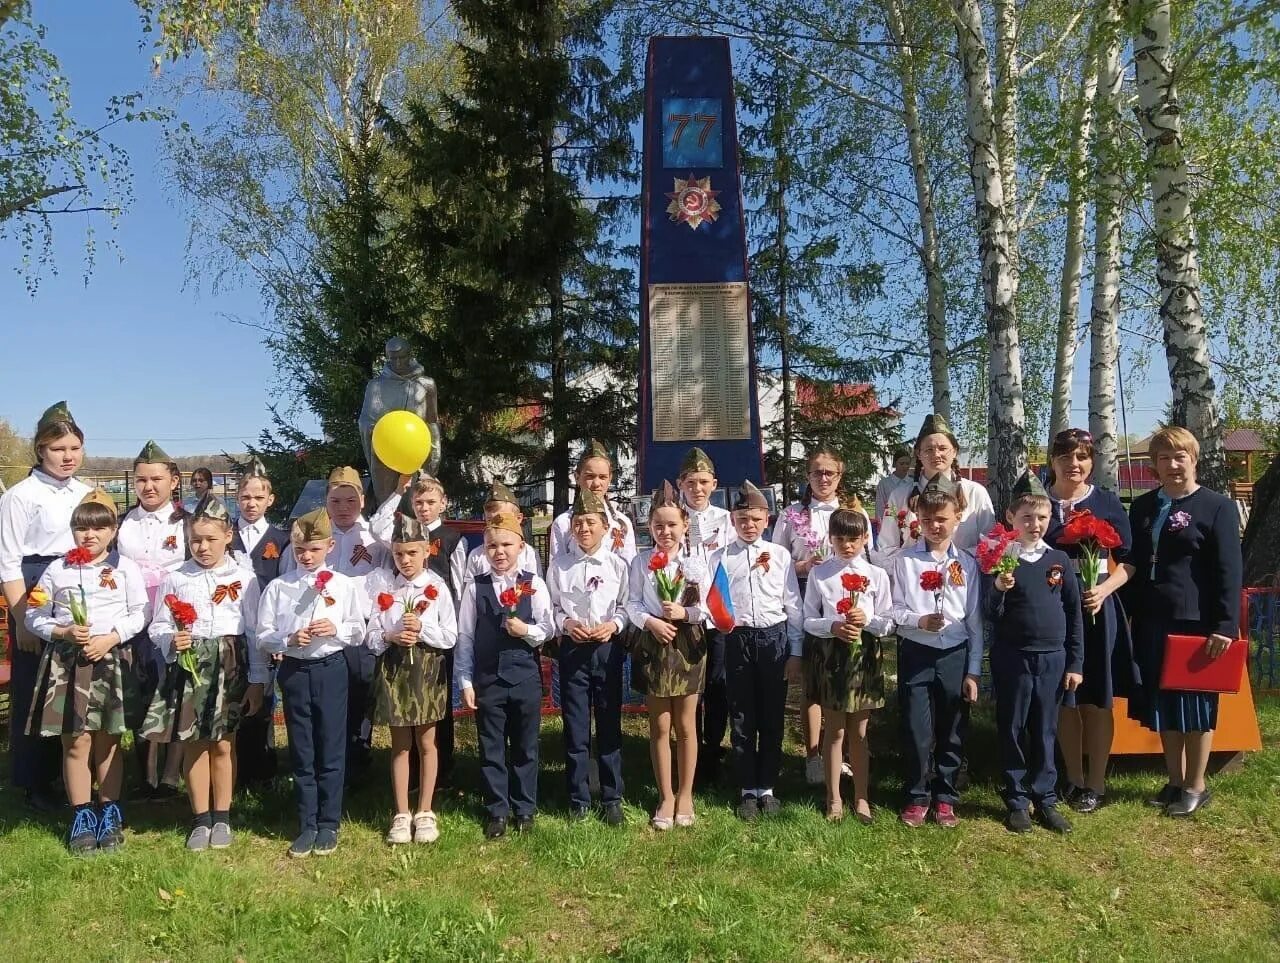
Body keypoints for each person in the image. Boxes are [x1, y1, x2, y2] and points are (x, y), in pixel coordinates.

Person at [1122, 427, 1243, 817]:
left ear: (1194, 458)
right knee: (1164, 705)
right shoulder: (1141, 507)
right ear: (1154, 465)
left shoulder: (1217, 507)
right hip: (1152, 619)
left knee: (1195, 706)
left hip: (1197, 623)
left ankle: (1197, 784)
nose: (1172, 465)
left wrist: (1225, 625)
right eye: (1163, 458)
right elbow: (1134, 564)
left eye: (1180, 456)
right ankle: (1174, 779)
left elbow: (1229, 570)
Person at [139, 495, 264, 851]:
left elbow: (253, 631)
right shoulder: (177, 578)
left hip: (230, 663)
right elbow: (158, 626)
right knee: (194, 742)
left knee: (224, 743)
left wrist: (258, 679)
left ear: (228, 536)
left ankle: (222, 815)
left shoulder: (244, 578)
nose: (203, 546)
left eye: (211, 539)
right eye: (196, 539)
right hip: (191, 667)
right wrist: (171, 639)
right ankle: (200, 818)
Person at [24, 489, 146, 854]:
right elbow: (33, 614)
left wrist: (111, 638)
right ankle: (81, 815)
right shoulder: (58, 569)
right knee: (76, 741)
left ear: (113, 530)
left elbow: (139, 613)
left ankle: (109, 810)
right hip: (67, 664)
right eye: (81, 529)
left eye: (98, 528)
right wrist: (60, 631)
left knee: (108, 741)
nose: (88, 536)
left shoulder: (125, 568)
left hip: (108, 659)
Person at [256, 507, 365, 858]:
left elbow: (358, 629)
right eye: (300, 549)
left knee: (331, 744)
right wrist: (288, 639)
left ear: (330, 547)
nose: (306, 556)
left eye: (314, 549)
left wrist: (336, 629)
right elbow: (264, 635)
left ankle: (330, 822)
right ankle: (307, 822)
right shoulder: (278, 587)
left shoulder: (344, 585)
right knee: (302, 747)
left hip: (331, 668)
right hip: (295, 670)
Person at [0, 401, 91, 812]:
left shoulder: (87, 492)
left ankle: (69, 770)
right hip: (34, 586)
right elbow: (8, 560)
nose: (68, 456)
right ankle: (34, 780)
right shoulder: (21, 496)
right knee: (34, 687)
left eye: (74, 448)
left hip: (77, 585)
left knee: (71, 688)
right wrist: (21, 618)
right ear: (40, 450)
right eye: (58, 449)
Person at [983, 472, 1084, 834]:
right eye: (1027, 517)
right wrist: (998, 588)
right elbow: (989, 614)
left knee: (1045, 728)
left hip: (1052, 658)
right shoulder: (1002, 560)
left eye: (1042, 517)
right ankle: (1016, 798)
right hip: (1013, 657)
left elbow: (1074, 614)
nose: (1035, 524)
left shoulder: (1058, 560)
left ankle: (1045, 797)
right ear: (1011, 518)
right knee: (1012, 726)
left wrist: (1075, 662)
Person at [1043, 428, 1135, 813]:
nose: (1073, 464)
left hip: (1097, 609)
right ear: (1053, 462)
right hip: (1052, 612)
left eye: (1081, 457)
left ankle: (1096, 781)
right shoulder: (1038, 503)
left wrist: (1104, 589)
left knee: (1097, 699)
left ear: (1091, 461)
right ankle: (1073, 777)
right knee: (1065, 698)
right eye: (1065, 457)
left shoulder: (1107, 502)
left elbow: (1131, 561)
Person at [771, 449, 872, 786]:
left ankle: (839, 755)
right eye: (817, 473)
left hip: (845, 605)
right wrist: (802, 566)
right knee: (812, 685)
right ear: (808, 475)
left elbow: (867, 559)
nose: (824, 478)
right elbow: (775, 560)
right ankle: (813, 755)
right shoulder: (791, 514)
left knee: (842, 683)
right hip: (803, 598)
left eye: (830, 472)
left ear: (840, 476)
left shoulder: (853, 513)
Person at [888, 474, 984, 828]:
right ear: (918, 521)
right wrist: (917, 620)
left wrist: (973, 670)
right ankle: (916, 795)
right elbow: (894, 611)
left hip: (954, 655)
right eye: (927, 520)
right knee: (916, 728)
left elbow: (974, 622)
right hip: (917, 651)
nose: (935, 526)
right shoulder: (905, 561)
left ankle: (946, 797)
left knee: (953, 727)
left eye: (942, 518)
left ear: (958, 517)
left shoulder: (968, 565)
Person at [456, 513, 554, 839]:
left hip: (524, 677)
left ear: (521, 546)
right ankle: (497, 809)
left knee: (526, 745)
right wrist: (466, 681)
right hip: (488, 680)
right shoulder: (476, 588)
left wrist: (524, 630)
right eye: (492, 546)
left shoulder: (532, 583)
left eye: (506, 545)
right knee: (492, 746)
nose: (499, 552)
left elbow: (547, 629)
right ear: (484, 550)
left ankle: (525, 808)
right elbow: (466, 637)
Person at [366, 507, 458, 846]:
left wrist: (423, 628)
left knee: (427, 742)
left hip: (426, 670)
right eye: (399, 554)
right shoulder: (384, 588)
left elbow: (450, 635)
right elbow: (371, 635)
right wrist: (390, 635)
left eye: (412, 553)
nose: (406, 560)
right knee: (400, 745)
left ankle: (425, 810)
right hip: (394, 671)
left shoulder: (436, 586)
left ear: (426, 551)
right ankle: (401, 812)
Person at [371, 472, 466, 786]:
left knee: (437, 708)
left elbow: (459, 586)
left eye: (430, 502)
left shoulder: (453, 539)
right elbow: (377, 526)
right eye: (419, 501)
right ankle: (411, 773)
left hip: (438, 626)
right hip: (402, 628)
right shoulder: (403, 536)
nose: (424, 507)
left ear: (443, 503)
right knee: (406, 707)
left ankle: (444, 770)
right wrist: (398, 491)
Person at [716, 480, 803, 821]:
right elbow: (714, 602)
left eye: (755, 518)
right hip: (737, 639)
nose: (748, 525)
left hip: (773, 640)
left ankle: (767, 786)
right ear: (733, 520)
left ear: (767, 519)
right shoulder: (721, 556)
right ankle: (746, 788)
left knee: (771, 715)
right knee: (741, 715)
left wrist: (795, 651)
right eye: (742, 518)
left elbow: (792, 605)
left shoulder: (780, 556)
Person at [626, 481, 708, 830]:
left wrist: (683, 614)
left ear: (684, 525)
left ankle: (686, 793)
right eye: (658, 525)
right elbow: (630, 603)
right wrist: (651, 622)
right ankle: (666, 795)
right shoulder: (641, 561)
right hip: (655, 643)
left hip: (687, 644)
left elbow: (706, 609)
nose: (665, 531)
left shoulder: (696, 561)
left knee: (686, 725)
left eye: (672, 524)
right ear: (650, 528)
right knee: (660, 725)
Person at [546, 487, 630, 825]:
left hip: (607, 649)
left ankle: (612, 796)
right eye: (578, 523)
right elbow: (550, 608)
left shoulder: (617, 565)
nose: (584, 529)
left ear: (605, 527)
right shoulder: (559, 566)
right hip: (574, 650)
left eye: (591, 523)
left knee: (609, 723)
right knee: (576, 726)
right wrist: (565, 623)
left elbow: (626, 605)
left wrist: (613, 625)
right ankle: (578, 798)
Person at [802, 508, 892, 823]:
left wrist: (867, 620)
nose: (847, 546)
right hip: (832, 657)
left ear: (866, 538)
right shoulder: (820, 573)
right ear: (831, 539)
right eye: (840, 539)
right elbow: (808, 620)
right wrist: (832, 626)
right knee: (836, 730)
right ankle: (834, 798)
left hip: (864, 656)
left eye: (853, 539)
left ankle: (862, 796)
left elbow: (887, 622)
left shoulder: (876, 575)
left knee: (860, 732)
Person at [117, 440, 189, 799]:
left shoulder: (187, 523)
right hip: (132, 620)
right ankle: (144, 773)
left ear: (173, 481)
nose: (149, 486)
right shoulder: (122, 522)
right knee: (140, 693)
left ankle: (171, 774)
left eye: (157, 479)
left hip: (173, 620)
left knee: (173, 693)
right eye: (141, 479)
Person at [318, 466, 387, 780]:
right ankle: (329, 761)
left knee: (361, 696)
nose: (343, 508)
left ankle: (358, 762)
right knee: (328, 698)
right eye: (336, 501)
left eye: (350, 500)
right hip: (324, 632)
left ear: (362, 499)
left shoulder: (375, 538)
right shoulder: (317, 536)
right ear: (326, 501)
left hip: (361, 630)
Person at [231, 456, 292, 786]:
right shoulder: (224, 535)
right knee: (235, 695)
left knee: (265, 696)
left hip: (266, 632)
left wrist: (279, 635)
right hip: (232, 629)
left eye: (258, 497)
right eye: (245, 497)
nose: (251, 503)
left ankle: (264, 769)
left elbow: (284, 591)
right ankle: (235, 770)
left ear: (270, 500)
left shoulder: (280, 540)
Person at [677, 447, 733, 789]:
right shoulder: (671, 516)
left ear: (714, 484)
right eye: (691, 482)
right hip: (683, 614)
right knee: (688, 688)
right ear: (681, 483)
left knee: (717, 685)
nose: (697, 489)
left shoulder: (726, 519)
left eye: (703, 482)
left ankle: (713, 749)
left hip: (715, 615)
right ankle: (688, 748)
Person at [876, 414, 995, 562]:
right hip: (914, 580)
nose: (936, 454)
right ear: (918, 454)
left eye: (943, 448)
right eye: (929, 450)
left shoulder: (975, 493)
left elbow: (989, 544)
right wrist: (917, 566)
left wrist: (952, 563)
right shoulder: (900, 495)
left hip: (964, 579)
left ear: (955, 451)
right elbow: (886, 547)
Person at [548, 440, 637, 564]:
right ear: (577, 477)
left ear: (610, 478)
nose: (596, 484)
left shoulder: (621, 523)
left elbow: (629, 567)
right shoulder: (563, 523)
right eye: (590, 476)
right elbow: (556, 569)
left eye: (602, 477)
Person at [463, 480, 542, 583]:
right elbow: (470, 590)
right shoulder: (477, 555)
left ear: (518, 518)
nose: (496, 525)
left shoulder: (528, 553)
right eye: (490, 520)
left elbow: (534, 587)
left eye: (501, 519)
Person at [874, 445, 914, 520]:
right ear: (895, 464)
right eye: (902, 464)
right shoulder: (884, 483)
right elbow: (880, 508)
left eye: (907, 463)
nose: (905, 466)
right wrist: (880, 526)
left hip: (909, 524)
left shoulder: (913, 483)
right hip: (889, 523)